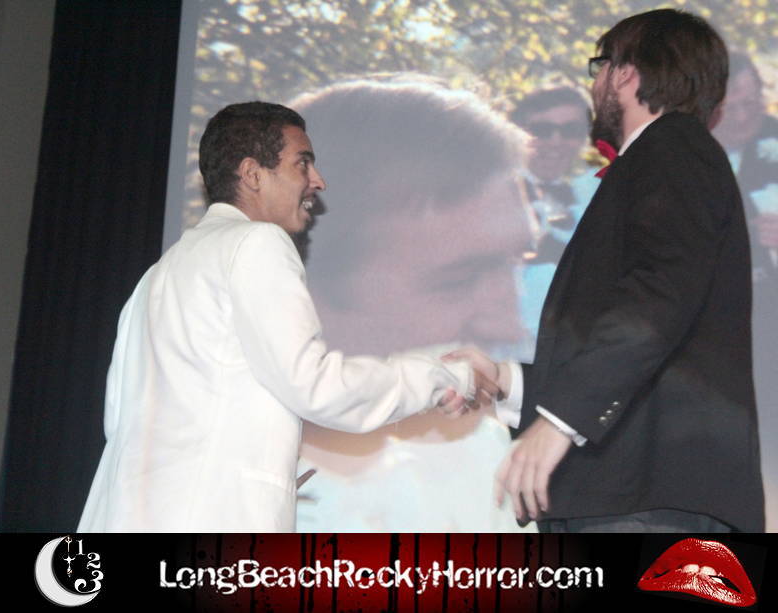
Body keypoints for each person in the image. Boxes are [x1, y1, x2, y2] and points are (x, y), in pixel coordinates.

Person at [77, 101, 498, 532]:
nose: (318, 180)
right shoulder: (256, 243)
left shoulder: (154, 277)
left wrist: (263, 469)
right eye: (303, 163)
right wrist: (442, 377)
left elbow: (120, 420)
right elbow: (315, 386)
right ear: (253, 174)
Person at [454, 8, 765, 532]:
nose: (594, 85)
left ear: (625, 72)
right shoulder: (666, 157)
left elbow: (659, 296)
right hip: (636, 497)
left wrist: (560, 422)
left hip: (647, 500)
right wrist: (508, 380)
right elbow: (652, 343)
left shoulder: (673, 146)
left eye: (600, 67)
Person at [286, 79, 537, 531]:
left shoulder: (502, 464)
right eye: (458, 280)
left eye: (516, 266)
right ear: (309, 297)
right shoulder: (216, 490)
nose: (510, 325)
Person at [713, 51, 778, 530]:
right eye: (731, 107)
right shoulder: (685, 152)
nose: (743, 116)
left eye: (752, 103)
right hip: (713, 336)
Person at [509, 87, 595, 346]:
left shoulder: (590, 198)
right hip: (505, 349)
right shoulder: (490, 195)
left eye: (570, 130)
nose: (556, 141)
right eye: (542, 130)